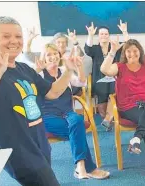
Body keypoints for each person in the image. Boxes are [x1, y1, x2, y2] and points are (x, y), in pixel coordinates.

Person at [0, 16, 77, 185]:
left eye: (18, 37)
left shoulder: (24, 69)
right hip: (18, 152)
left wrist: (69, 71)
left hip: (39, 145)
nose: (14, 41)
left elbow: (52, 92)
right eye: (6, 36)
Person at [36, 43, 110, 179]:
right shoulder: (39, 74)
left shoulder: (65, 70)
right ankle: (87, 168)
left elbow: (81, 82)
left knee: (77, 120)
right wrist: (36, 71)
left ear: (59, 55)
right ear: (44, 58)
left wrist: (79, 67)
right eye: (49, 55)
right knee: (77, 130)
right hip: (48, 116)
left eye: (55, 53)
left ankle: (81, 167)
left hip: (67, 113)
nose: (53, 57)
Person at [100, 36, 145, 174]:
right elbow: (104, 70)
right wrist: (112, 51)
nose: (132, 54)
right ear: (124, 53)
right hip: (129, 105)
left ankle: (136, 138)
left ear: (140, 52)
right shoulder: (119, 67)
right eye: (128, 51)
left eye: (135, 51)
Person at [84, 20, 129, 131]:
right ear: (98, 36)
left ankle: (108, 119)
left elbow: (128, 45)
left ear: (109, 36)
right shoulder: (94, 49)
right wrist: (90, 34)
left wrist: (124, 32)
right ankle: (107, 119)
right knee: (102, 92)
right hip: (99, 80)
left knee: (114, 90)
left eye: (106, 34)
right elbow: (87, 49)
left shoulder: (115, 47)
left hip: (114, 78)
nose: (104, 36)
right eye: (101, 34)